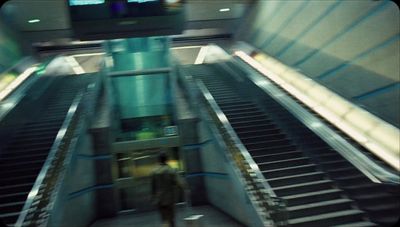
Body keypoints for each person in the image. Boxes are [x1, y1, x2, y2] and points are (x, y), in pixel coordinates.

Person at [151, 152, 185, 227]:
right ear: (166, 160)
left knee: (164, 219)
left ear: (158, 160)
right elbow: (180, 183)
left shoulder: (154, 171)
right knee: (171, 219)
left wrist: (154, 199)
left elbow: (153, 187)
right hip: (170, 199)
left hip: (159, 200)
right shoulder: (171, 170)